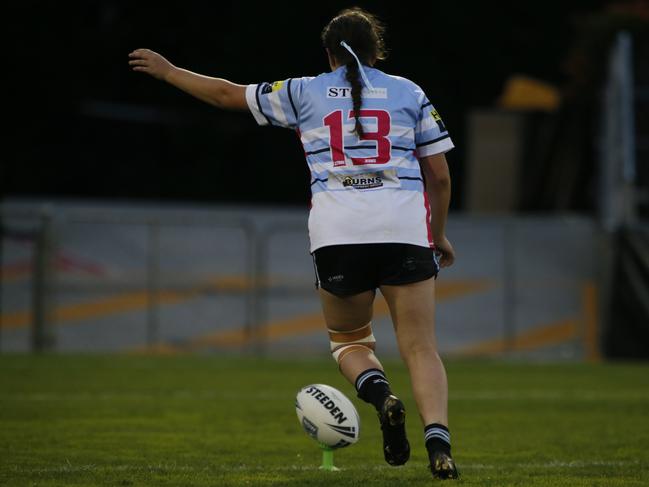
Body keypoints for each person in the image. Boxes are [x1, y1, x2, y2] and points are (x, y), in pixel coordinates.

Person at [129, 7, 458, 480]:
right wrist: (438, 234)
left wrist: (168, 71)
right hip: (404, 231)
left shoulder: (304, 90)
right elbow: (440, 177)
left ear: (328, 55)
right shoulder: (410, 92)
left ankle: (382, 396)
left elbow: (226, 95)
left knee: (349, 342)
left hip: (338, 235)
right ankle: (439, 446)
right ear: (376, 51)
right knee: (422, 349)